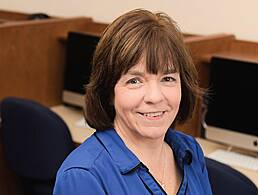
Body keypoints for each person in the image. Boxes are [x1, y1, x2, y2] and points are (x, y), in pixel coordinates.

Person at [54, 9, 212, 195]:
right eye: (134, 81)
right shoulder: (83, 177)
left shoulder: (190, 152)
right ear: (109, 93)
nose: (155, 97)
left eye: (167, 78)